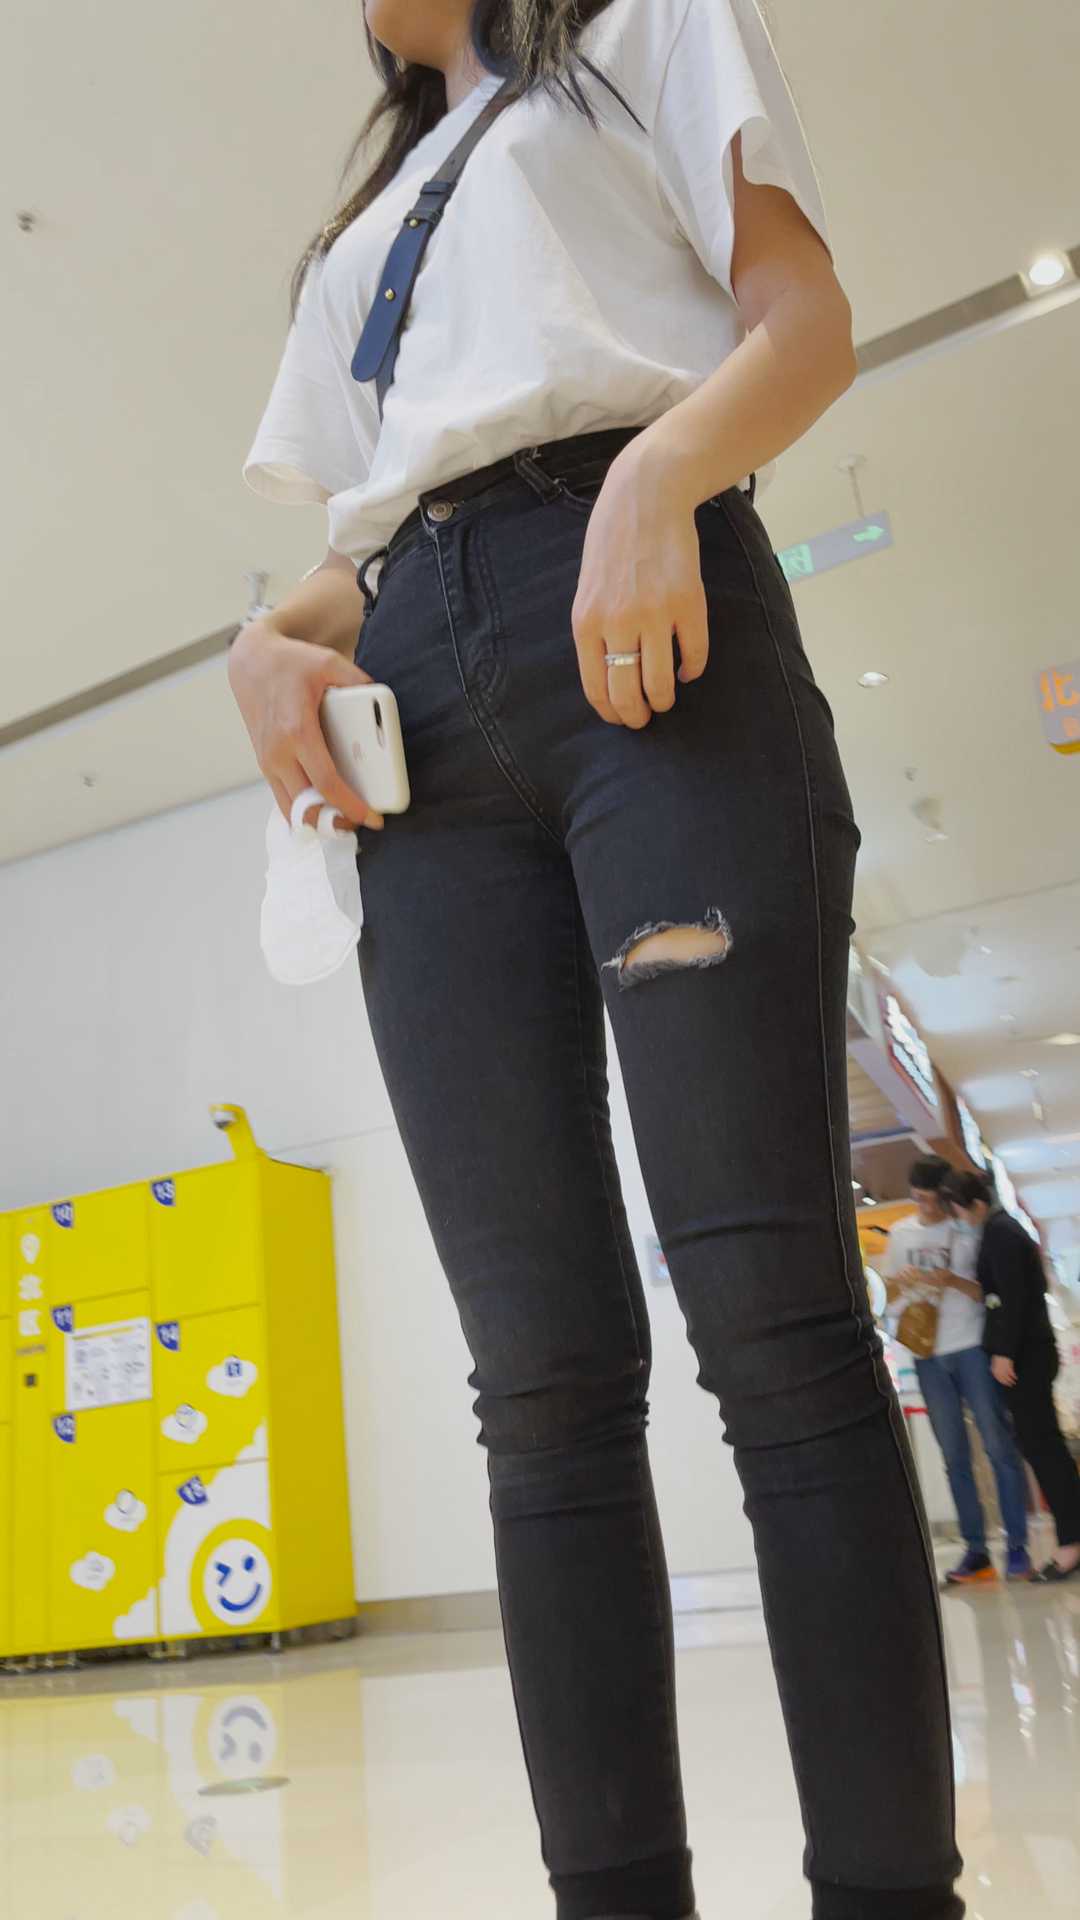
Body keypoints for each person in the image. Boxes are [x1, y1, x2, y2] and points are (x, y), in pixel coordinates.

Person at [229, 3, 963, 1916]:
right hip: (418, 705)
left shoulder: (639, 25)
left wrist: (661, 477)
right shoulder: (371, 220)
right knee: (538, 1378)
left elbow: (799, 322)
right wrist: (272, 638)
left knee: (772, 1311)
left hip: (645, 614)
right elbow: (370, 521)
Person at [883, 1157, 1031, 1587]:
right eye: (918, 1199)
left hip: (971, 1347)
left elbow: (988, 1292)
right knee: (954, 1456)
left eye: (931, 1199)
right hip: (927, 1353)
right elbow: (888, 1294)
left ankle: (1017, 1546)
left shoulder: (967, 1230)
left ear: (945, 1196)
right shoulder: (900, 1233)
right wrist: (905, 1283)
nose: (925, 1207)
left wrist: (950, 1280)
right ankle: (976, 1551)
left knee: (999, 1446)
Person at [947, 1170, 1080, 1584]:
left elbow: (1012, 1298)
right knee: (1043, 1446)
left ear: (976, 1205)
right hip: (1030, 1352)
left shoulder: (1001, 1234)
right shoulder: (1004, 1230)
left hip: (1025, 1356)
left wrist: (1004, 1352)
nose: (958, 1218)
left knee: (1043, 1448)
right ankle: (1072, 1538)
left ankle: (1071, 1544)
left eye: (958, 1210)